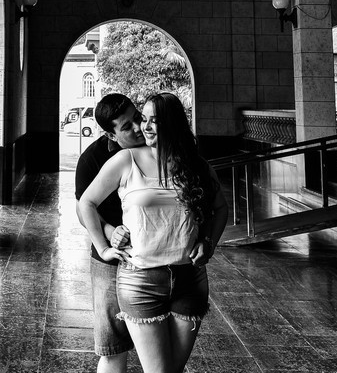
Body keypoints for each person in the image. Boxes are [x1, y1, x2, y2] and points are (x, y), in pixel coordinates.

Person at [77, 92, 227, 373]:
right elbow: (86, 202)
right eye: (142, 119)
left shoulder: (196, 165)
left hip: (189, 279)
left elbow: (220, 208)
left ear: (172, 124)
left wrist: (209, 242)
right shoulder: (125, 160)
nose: (143, 126)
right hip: (141, 280)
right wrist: (103, 245)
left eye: (151, 120)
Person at [75, 94, 147, 373]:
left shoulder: (158, 146)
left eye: (138, 118)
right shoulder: (91, 159)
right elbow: (83, 209)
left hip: (155, 256)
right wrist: (108, 233)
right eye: (127, 126)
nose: (139, 128)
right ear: (110, 134)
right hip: (111, 260)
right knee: (112, 344)